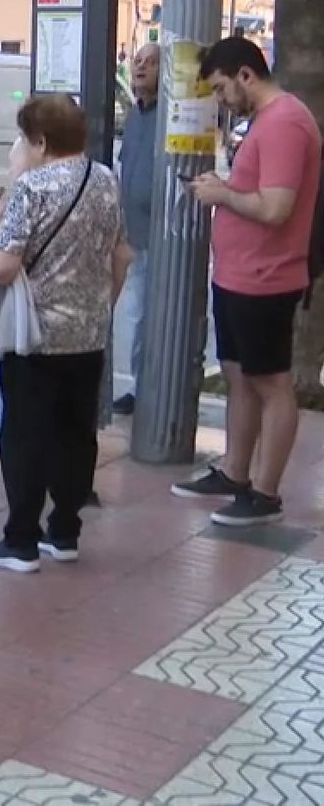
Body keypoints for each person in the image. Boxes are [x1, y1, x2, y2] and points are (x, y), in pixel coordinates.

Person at [0, 95, 131, 572]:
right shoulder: (104, 179)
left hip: (35, 336)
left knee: (25, 434)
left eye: (25, 138)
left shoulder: (31, 188)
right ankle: (64, 531)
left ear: (40, 141)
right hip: (88, 334)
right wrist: (102, 306)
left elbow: (4, 266)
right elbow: (120, 255)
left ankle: (21, 538)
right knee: (75, 434)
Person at [175, 37, 322, 526]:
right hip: (240, 274)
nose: (221, 100)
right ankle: (236, 473)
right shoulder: (265, 122)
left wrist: (222, 194)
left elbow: (277, 208)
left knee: (271, 381)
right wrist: (228, 189)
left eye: (220, 89)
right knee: (239, 374)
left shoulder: (285, 123)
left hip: (267, 277)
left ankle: (266, 493)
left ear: (244, 75)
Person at [112, 43, 161, 416]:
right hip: (133, 235)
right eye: (137, 61)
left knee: (146, 316)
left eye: (150, 62)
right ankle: (140, 385)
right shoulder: (135, 116)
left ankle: (148, 389)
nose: (141, 67)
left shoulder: (169, 118)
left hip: (160, 237)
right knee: (137, 315)